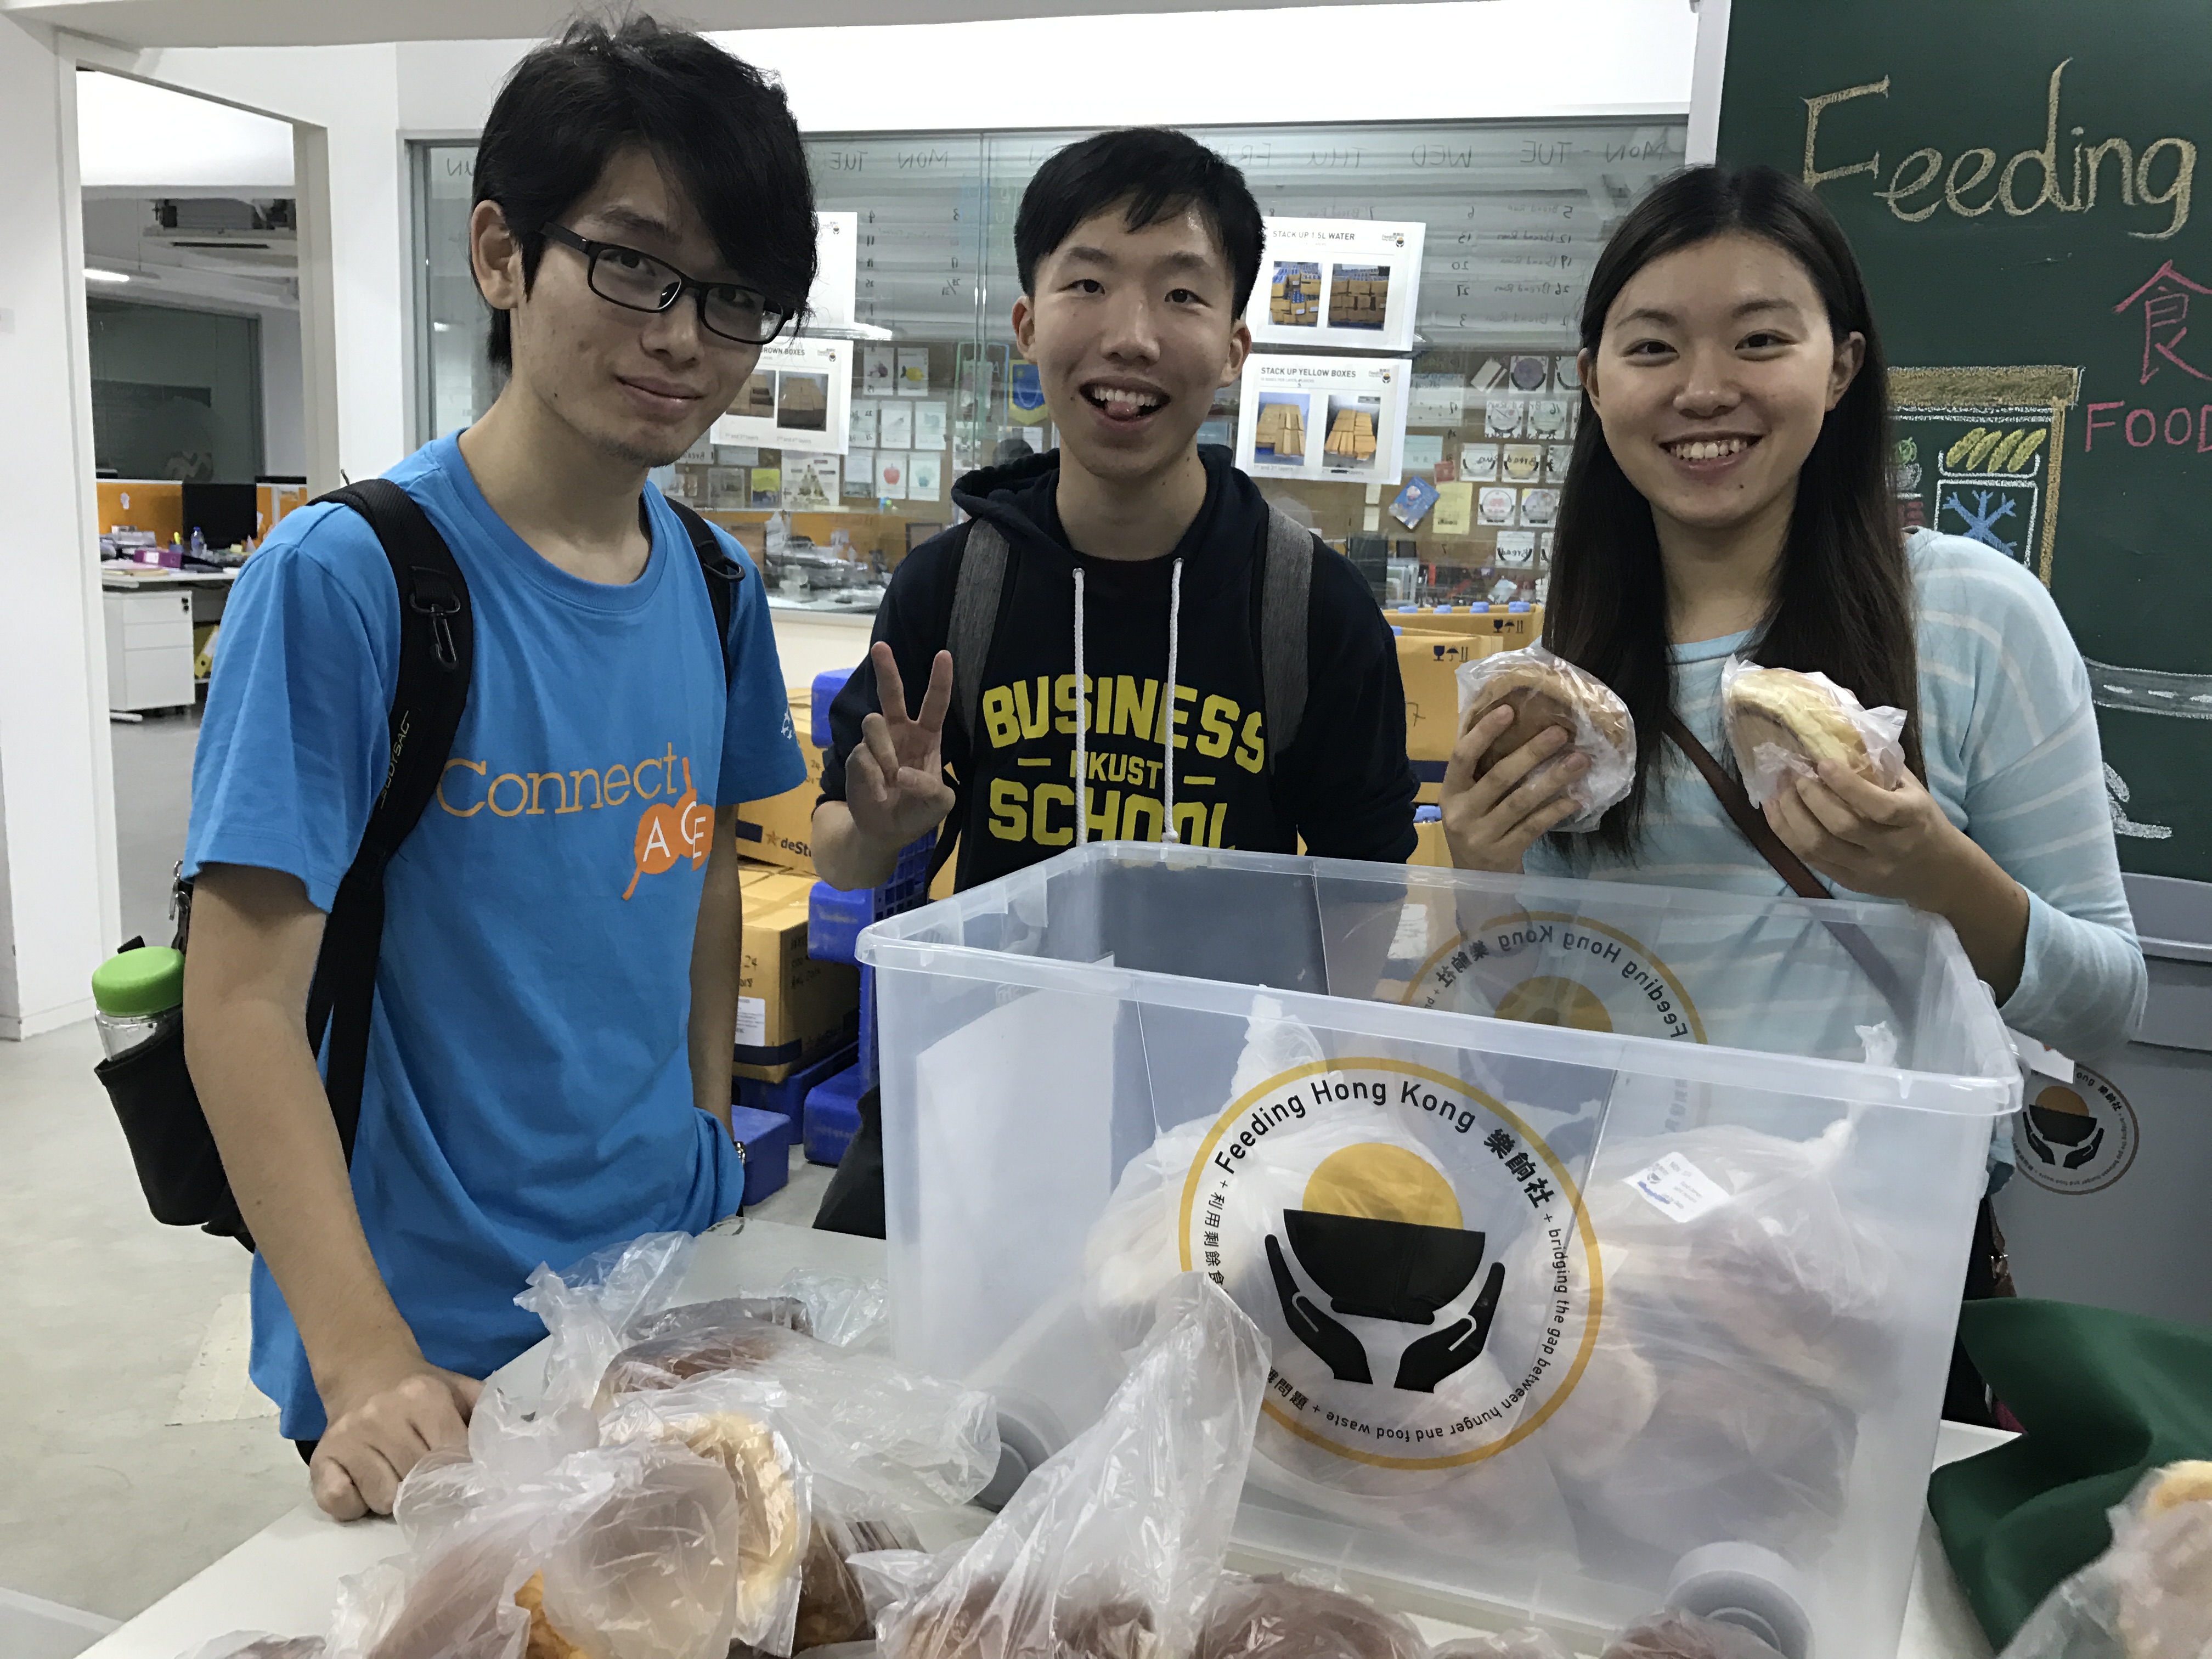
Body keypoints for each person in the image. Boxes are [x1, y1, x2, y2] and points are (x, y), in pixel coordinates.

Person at [180, 18, 812, 1520]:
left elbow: (701, 862)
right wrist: (365, 1364)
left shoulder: (717, 585)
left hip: (667, 1302)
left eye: (733, 299)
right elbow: (241, 1002)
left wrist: (709, 1144)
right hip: (439, 1354)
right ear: (498, 255)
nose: (680, 337)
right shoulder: (349, 580)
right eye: (634, 264)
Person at [1439, 163, 2145, 1063]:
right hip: (1620, 1193)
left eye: (1760, 340)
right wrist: (1482, 883)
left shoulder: (1977, 617)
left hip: (1877, 1194)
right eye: (1653, 348)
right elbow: (1531, 1022)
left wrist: (1939, 875)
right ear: (1592, 381)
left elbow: (2107, 1008)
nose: (1703, 389)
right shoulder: (1567, 682)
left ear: (1842, 366)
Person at [810, 127, 1418, 895]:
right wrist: (879, 828)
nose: (1132, 339)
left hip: (1224, 1017)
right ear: (1028, 328)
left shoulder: (1312, 609)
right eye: (1089, 286)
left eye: (1182, 295)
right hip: (1000, 1015)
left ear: (1235, 351)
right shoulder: (952, 587)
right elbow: (836, 851)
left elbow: (1366, 885)